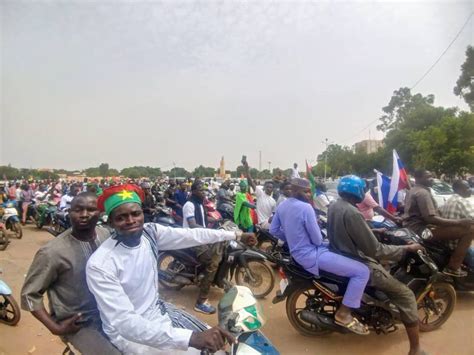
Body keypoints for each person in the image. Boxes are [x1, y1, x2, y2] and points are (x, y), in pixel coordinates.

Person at [86, 184, 256, 354]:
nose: (131, 221)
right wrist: (192, 338)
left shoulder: (149, 233)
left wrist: (236, 235)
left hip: (159, 312)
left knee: (218, 347)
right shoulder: (101, 265)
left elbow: (192, 235)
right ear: (110, 222)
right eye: (121, 217)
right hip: (131, 335)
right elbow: (125, 323)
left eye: (135, 214)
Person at [328, 175, 425, 355]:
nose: (364, 193)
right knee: (406, 295)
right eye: (362, 190)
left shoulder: (335, 205)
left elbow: (347, 230)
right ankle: (416, 349)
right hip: (359, 261)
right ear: (356, 191)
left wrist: (374, 230)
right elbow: (376, 250)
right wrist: (406, 248)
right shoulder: (353, 212)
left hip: (341, 256)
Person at [21, 192, 120, 355]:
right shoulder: (52, 252)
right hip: (78, 322)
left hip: (109, 313)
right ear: (69, 212)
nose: (84, 215)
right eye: (78, 210)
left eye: (91, 210)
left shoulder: (106, 236)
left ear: (100, 213)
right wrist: (56, 328)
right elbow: (29, 295)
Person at [270, 178, 370, 335]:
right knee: (362, 271)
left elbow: (274, 230)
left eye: (310, 191)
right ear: (295, 191)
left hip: (297, 254)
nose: (309, 194)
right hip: (312, 254)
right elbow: (317, 239)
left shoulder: (282, 206)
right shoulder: (305, 208)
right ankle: (343, 314)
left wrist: (293, 239)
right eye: (306, 191)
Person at [403, 169, 474, 277]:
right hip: (421, 230)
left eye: (432, 176)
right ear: (418, 178)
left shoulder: (413, 190)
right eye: (428, 177)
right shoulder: (423, 193)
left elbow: (432, 213)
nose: (432, 179)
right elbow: (430, 219)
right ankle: (453, 267)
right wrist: (459, 222)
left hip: (412, 229)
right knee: (470, 229)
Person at [182, 180, 224, 314]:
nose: (203, 192)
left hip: (202, 237)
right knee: (211, 264)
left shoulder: (200, 204)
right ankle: (201, 301)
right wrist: (210, 232)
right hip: (192, 239)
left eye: (204, 190)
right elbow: (193, 224)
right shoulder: (189, 205)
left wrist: (219, 221)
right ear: (193, 191)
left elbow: (205, 220)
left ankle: (207, 279)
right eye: (200, 190)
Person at [439, 179, 474, 253]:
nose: (470, 189)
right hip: (459, 246)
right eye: (467, 188)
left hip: (447, 244)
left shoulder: (449, 200)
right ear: (459, 190)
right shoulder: (462, 201)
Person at [244, 161, 276, 230]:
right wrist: (246, 168)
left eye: (270, 187)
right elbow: (250, 181)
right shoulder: (260, 194)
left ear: (273, 189)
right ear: (264, 187)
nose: (268, 188)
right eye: (267, 187)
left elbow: (274, 214)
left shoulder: (273, 201)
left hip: (270, 222)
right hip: (262, 223)